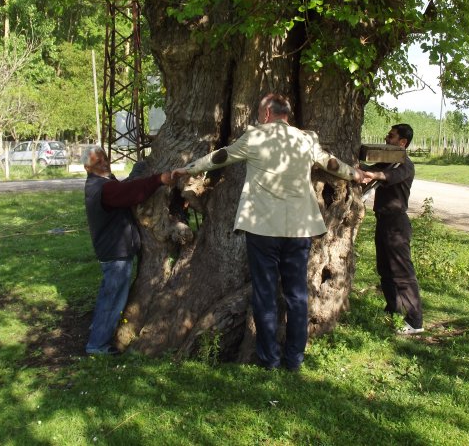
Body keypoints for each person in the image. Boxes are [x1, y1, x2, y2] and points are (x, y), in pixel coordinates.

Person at [173, 93, 362, 371]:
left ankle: (269, 360)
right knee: (297, 295)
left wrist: (188, 168)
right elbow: (330, 163)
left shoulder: (255, 138)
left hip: (262, 228)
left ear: (265, 115)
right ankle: (295, 359)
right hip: (299, 228)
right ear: (286, 114)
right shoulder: (306, 139)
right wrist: (355, 175)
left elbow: (219, 157)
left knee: (265, 294)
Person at [82, 146, 175, 355]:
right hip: (115, 253)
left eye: (105, 158)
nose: (104, 163)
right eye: (98, 162)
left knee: (110, 296)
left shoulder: (102, 183)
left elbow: (124, 188)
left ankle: (98, 331)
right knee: (112, 299)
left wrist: (138, 171)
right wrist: (159, 179)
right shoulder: (103, 188)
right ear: (88, 167)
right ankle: (97, 345)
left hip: (114, 251)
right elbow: (130, 193)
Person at [359, 124, 424, 335]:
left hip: (396, 224)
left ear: (402, 142)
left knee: (402, 273)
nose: (387, 138)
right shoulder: (389, 163)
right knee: (385, 269)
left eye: (392, 136)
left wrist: (369, 174)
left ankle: (415, 322)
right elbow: (372, 171)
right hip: (384, 221)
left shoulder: (404, 164)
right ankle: (393, 309)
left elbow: (385, 177)